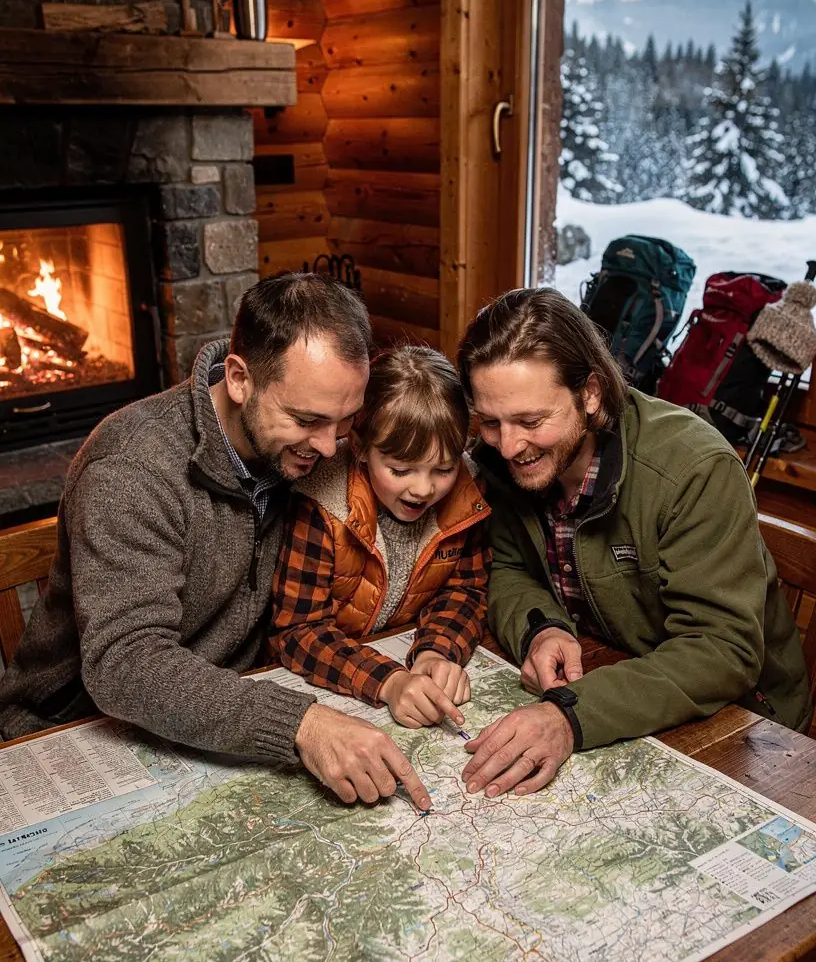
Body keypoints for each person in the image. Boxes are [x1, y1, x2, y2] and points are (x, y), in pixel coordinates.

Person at [0, 274, 431, 812]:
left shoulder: (296, 446)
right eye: (306, 420)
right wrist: (301, 722)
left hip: (220, 708)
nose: (328, 447)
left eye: (345, 422)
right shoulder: (132, 469)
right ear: (239, 379)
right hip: (75, 731)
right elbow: (125, 663)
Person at [455, 287, 812, 800]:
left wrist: (567, 716)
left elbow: (721, 651)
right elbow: (508, 569)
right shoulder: (511, 461)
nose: (508, 446)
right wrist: (540, 627)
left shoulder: (695, 469)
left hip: (748, 723)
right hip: (618, 675)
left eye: (531, 422)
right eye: (490, 422)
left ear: (591, 395)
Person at [269, 346, 491, 728]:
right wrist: (388, 681)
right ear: (359, 448)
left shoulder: (468, 496)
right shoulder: (321, 502)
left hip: (400, 651)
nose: (423, 489)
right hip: (332, 676)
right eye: (401, 470)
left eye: (443, 468)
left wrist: (436, 653)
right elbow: (296, 630)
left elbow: (465, 591)